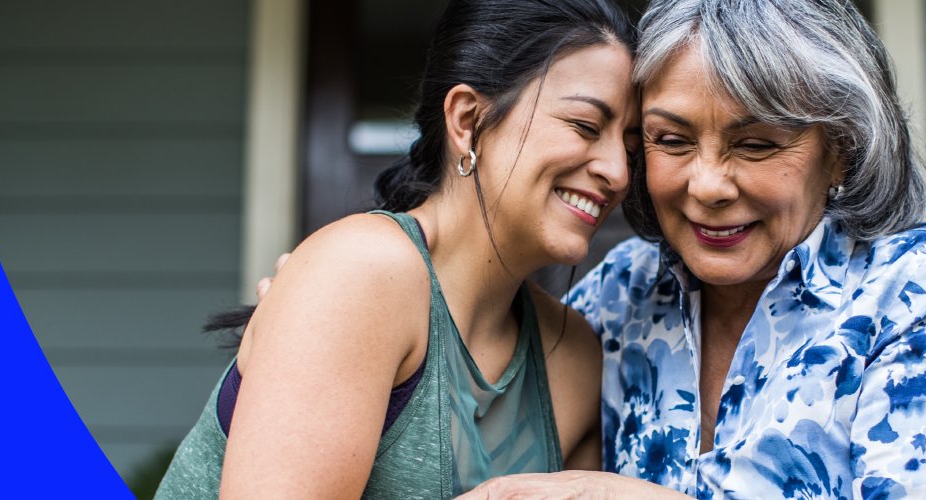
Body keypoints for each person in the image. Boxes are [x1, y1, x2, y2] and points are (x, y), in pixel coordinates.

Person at [462, 0, 926, 498]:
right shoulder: (621, 295)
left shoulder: (921, 290)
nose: (708, 186)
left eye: (757, 144)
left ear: (840, 149)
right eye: (671, 140)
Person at [152, 0, 639, 497]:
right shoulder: (362, 273)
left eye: (631, 143)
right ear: (467, 120)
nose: (618, 172)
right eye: (584, 126)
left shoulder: (573, 358)